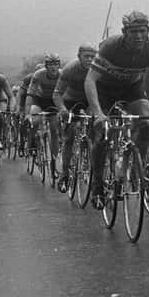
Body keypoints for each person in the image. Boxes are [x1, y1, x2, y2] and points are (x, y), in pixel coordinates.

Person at [85, 10, 149, 207]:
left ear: (148, 30)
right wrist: (98, 113)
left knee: (146, 123)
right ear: (125, 32)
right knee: (102, 135)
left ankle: (135, 169)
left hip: (132, 89)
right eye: (134, 31)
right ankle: (97, 186)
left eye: (142, 31)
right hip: (105, 90)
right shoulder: (111, 47)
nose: (139, 36)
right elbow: (90, 80)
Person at [52, 44, 96, 191]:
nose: (90, 59)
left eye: (92, 56)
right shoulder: (70, 69)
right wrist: (63, 109)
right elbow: (57, 93)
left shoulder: (99, 68)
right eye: (86, 56)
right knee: (69, 137)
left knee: (96, 133)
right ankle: (64, 174)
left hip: (91, 100)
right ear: (79, 56)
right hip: (71, 101)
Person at [26, 53, 62, 173]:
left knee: (54, 131)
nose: (53, 67)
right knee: (35, 120)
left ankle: (54, 160)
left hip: (54, 101)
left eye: (56, 64)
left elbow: (67, 94)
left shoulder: (62, 75)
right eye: (50, 64)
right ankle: (32, 143)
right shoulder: (38, 74)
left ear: (59, 65)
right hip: (39, 100)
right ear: (46, 66)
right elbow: (30, 94)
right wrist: (27, 113)